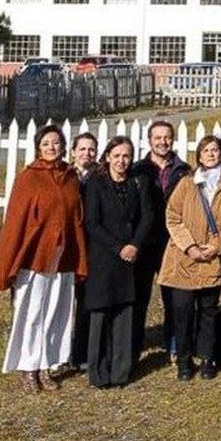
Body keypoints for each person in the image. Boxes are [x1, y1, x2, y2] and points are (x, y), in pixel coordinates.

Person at [0, 124, 87, 393]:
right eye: (46, 144)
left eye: (56, 143)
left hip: (63, 258)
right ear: (38, 148)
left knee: (55, 311)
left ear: (63, 146)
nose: (51, 148)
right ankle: (28, 367)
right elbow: (15, 223)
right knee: (31, 313)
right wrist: (9, 262)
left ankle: (46, 365)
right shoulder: (28, 178)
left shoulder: (70, 177)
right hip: (35, 258)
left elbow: (76, 219)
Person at [160, 134, 221, 382]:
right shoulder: (186, 183)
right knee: (182, 313)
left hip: (211, 258)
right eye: (206, 150)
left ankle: (207, 358)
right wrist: (190, 246)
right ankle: (184, 360)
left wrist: (218, 245)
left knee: (208, 312)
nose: (211, 154)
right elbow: (173, 216)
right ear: (199, 156)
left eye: (215, 150)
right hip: (184, 259)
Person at [82, 136, 155, 389]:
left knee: (125, 313)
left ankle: (121, 371)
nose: (122, 161)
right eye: (117, 156)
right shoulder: (96, 184)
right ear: (108, 157)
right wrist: (118, 248)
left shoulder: (138, 182)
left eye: (126, 156)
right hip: (105, 257)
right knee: (101, 314)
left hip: (131, 257)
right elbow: (92, 223)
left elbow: (147, 216)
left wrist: (135, 244)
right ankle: (99, 372)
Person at [130, 120, 189, 359]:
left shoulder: (183, 170)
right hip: (144, 242)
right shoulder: (138, 170)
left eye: (167, 137)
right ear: (149, 140)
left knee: (173, 298)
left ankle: (174, 346)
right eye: (157, 138)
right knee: (138, 297)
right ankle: (133, 346)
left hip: (171, 241)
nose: (162, 142)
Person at [64, 131, 99, 376]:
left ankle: (82, 352)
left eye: (91, 149)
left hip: (92, 245)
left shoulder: (100, 175)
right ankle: (60, 353)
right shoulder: (65, 175)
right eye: (82, 149)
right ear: (73, 151)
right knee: (63, 303)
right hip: (67, 245)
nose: (86, 153)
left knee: (87, 302)